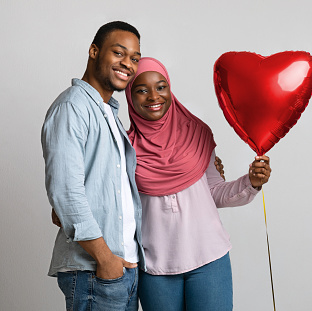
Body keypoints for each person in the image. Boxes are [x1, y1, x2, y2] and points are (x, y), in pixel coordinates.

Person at [125, 57, 272, 311]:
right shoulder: (124, 149)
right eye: (141, 90)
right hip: (155, 266)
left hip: (209, 259)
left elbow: (215, 192)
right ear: (130, 96)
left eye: (161, 87)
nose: (153, 96)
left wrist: (252, 182)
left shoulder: (197, 134)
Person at [41, 21, 145, 311]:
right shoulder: (73, 106)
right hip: (95, 270)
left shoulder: (109, 113)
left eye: (135, 58)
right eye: (119, 53)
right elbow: (65, 192)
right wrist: (105, 259)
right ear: (94, 51)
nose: (128, 63)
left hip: (124, 268)